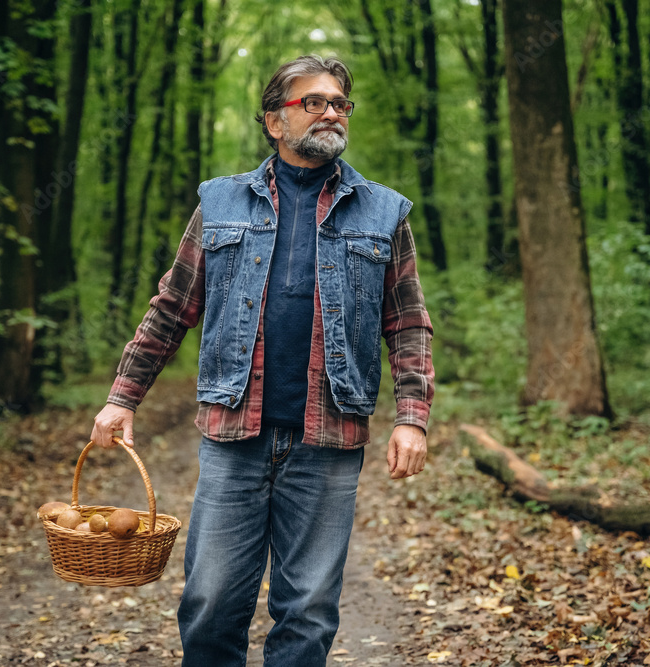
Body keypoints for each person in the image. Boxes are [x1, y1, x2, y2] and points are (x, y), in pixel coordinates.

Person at [90, 54, 434, 667]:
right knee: (212, 599)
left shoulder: (385, 212)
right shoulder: (220, 203)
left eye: (340, 104)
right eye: (315, 102)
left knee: (308, 610)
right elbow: (172, 309)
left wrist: (412, 416)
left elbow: (407, 321)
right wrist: (122, 397)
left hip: (329, 439)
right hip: (232, 433)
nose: (332, 112)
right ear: (275, 121)